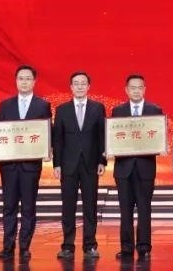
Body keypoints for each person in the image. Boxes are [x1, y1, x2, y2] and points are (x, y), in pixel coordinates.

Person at [0, 65, 52, 262]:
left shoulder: (42, 105)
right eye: (21, 78)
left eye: (28, 78)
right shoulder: (5, 105)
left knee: (28, 207)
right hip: (9, 165)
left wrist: (47, 150)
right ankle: (7, 246)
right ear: (16, 81)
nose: (24, 82)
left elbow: (48, 132)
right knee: (9, 206)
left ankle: (25, 246)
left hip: (30, 165)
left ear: (34, 82)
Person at [52, 71, 106, 260]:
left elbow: (102, 136)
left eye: (83, 83)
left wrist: (102, 160)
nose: (80, 86)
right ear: (71, 87)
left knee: (90, 206)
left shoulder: (98, 108)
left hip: (91, 164)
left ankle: (90, 246)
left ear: (88, 86)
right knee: (68, 206)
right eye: (76, 83)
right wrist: (57, 164)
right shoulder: (62, 109)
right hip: (68, 165)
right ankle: (67, 246)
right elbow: (57, 139)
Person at [111, 73, 163, 262]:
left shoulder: (154, 110)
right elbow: (113, 136)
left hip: (145, 168)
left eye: (139, 87)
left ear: (144, 89)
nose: (136, 91)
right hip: (123, 168)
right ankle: (126, 248)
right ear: (126, 90)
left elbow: (158, 137)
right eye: (132, 88)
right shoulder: (118, 111)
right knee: (125, 210)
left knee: (144, 209)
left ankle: (144, 247)